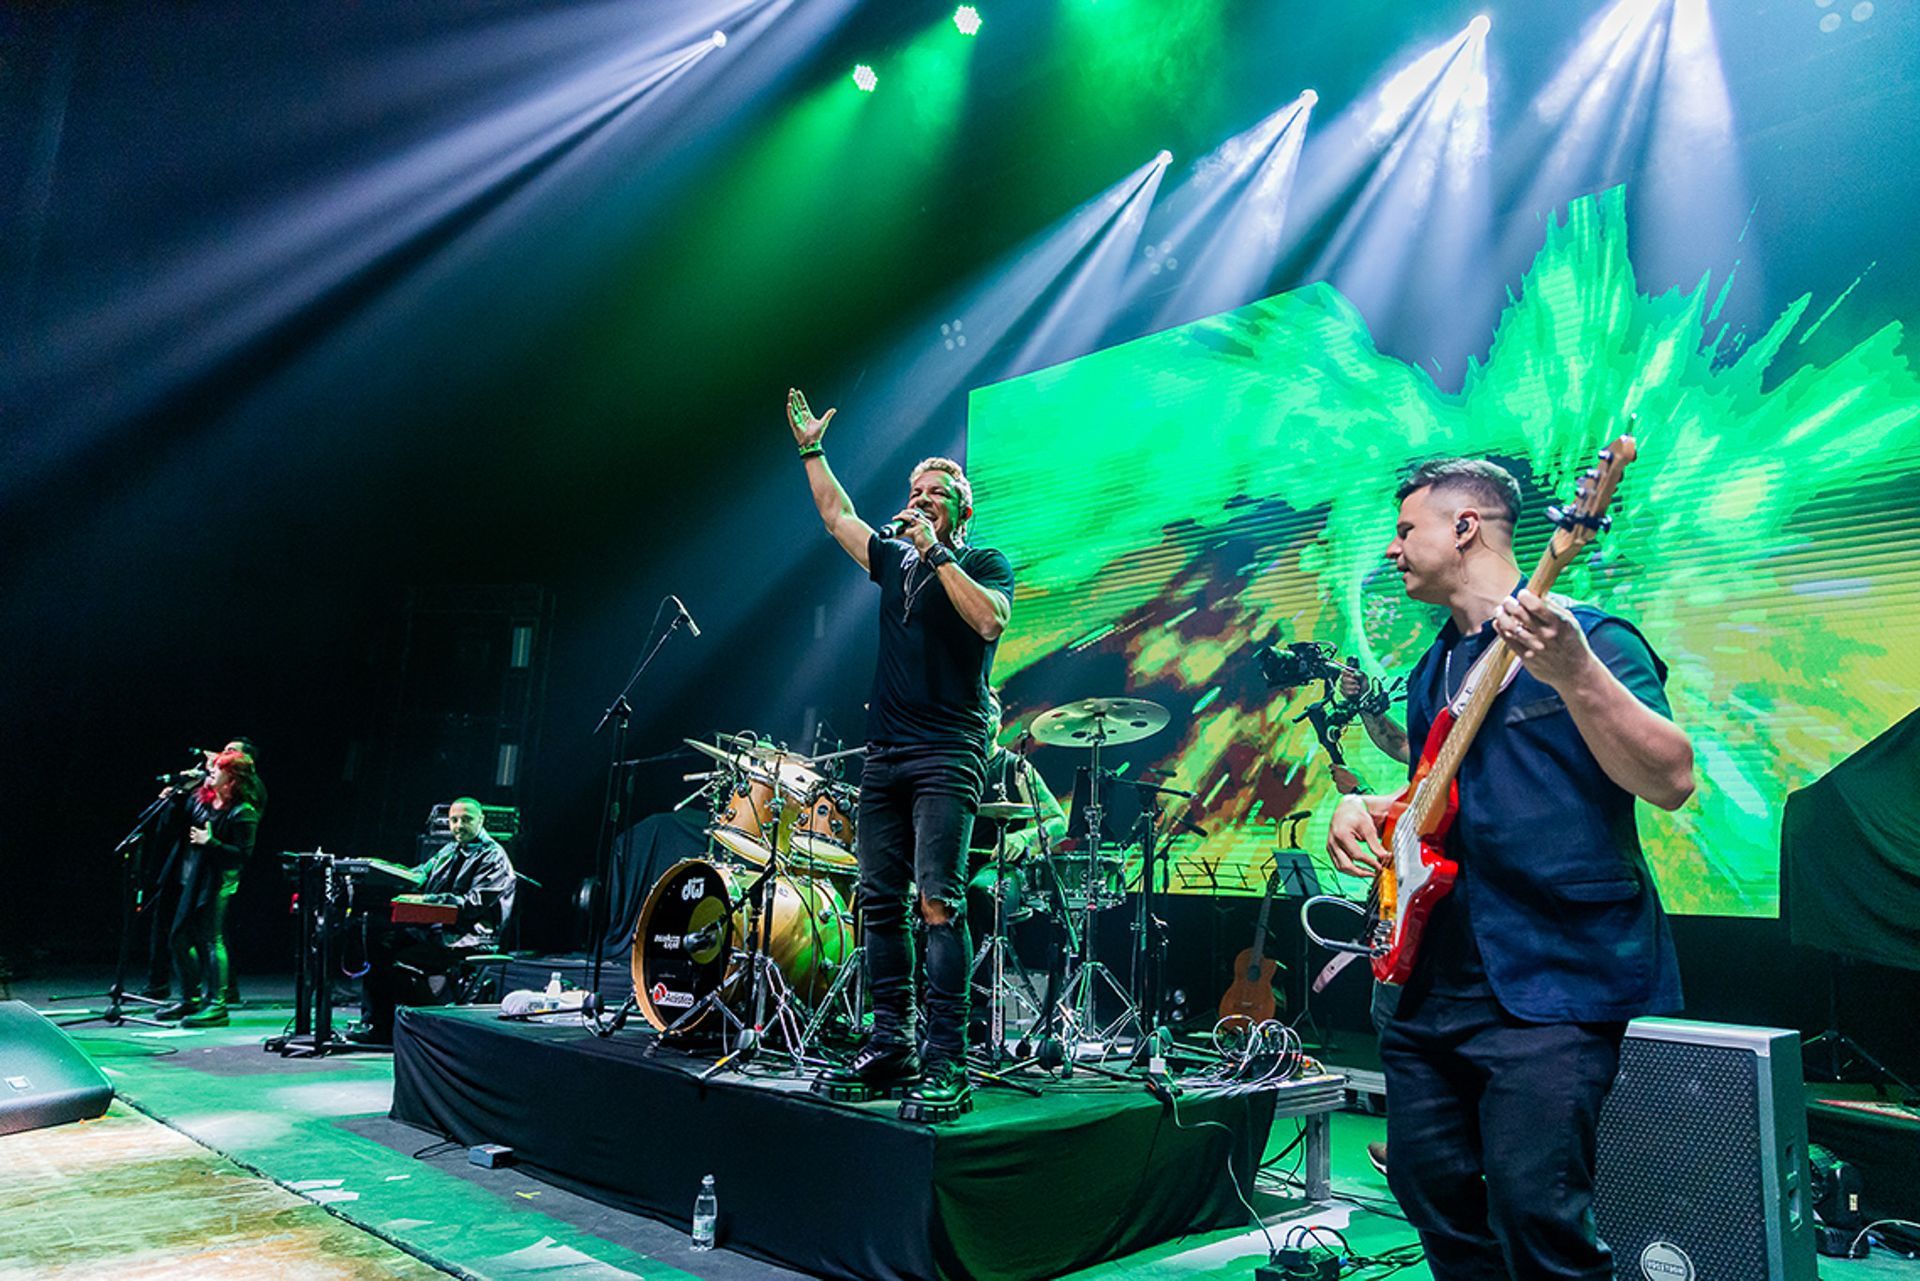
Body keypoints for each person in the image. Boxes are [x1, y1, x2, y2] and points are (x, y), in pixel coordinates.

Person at [1326, 457, 1695, 1280]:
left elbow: (1672, 778)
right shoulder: (1432, 670)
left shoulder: (1593, 639)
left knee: (1537, 1212)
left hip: (1555, 980)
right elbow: (1442, 790)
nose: (1391, 549)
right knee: (1429, 1190)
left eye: (1403, 529)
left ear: (1464, 529)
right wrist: (1369, 806)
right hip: (1432, 986)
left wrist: (1576, 674)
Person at [787, 387, 1014, 1121]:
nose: (918, 501)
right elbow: (835, 516)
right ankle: (894, 1044)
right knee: (877, 902)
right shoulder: (890, 559)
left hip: (948, 751)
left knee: (938, 901)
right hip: (884, 751)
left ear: (960, 507)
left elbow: (988, 621)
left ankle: (948, 1059)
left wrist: (938, 551)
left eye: (934, 494)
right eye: (913, 492)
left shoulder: (982, 558)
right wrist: (812, 450)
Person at [349, 797, 516, 1045]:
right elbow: (418, 875)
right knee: (379, 946)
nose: (458, 825)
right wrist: (379, 868)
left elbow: (473, 903)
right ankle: (378, 1024)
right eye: (454, 820)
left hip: (469, 936)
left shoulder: (494, 857)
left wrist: (429, 899)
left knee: (398, 960)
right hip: (438, 931)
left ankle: (421, 1024)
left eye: (466, 819)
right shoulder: (449, 850)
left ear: (481, 820)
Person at [144, 738, 265, 1003]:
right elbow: (174, 825)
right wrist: (175, 795)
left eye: (218, 767)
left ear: (232, 777)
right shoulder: (204, 800)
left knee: (211, 938)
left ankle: (217, 1000)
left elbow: (242, 855)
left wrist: (211, 843)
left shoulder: (243, 810)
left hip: (216, 881)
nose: (211, 770)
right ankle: (190, 998)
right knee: (178, 938)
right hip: (193, 878)